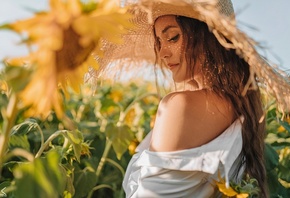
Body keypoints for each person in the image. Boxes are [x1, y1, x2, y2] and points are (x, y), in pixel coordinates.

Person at [98, 0, 290, 197]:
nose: (163, 52)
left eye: (172, 37)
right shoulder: (245, 107)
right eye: (159, 42)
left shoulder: (180, 106)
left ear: (206, 36)